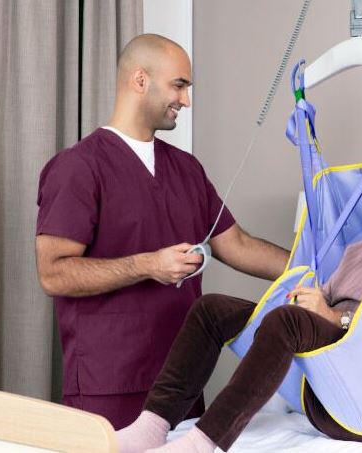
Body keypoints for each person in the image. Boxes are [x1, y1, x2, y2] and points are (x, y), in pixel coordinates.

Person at [116, 141, 362, 452]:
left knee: (289, 320)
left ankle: (202, 443)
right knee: (212, 310)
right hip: (322, 380)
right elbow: (324, 298)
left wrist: (331, 315)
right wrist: (307, 300)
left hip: (359, 399)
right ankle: (151, 427)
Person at [35, 34, 290, 430]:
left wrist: (315, 270)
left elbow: (236, 244)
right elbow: (53, 273)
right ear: (140, 80)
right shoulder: (78, 168)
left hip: (184, 378)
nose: (186, 100)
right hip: (111, 382)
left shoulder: (187, 169)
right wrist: (147, 265)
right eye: (179, 85)